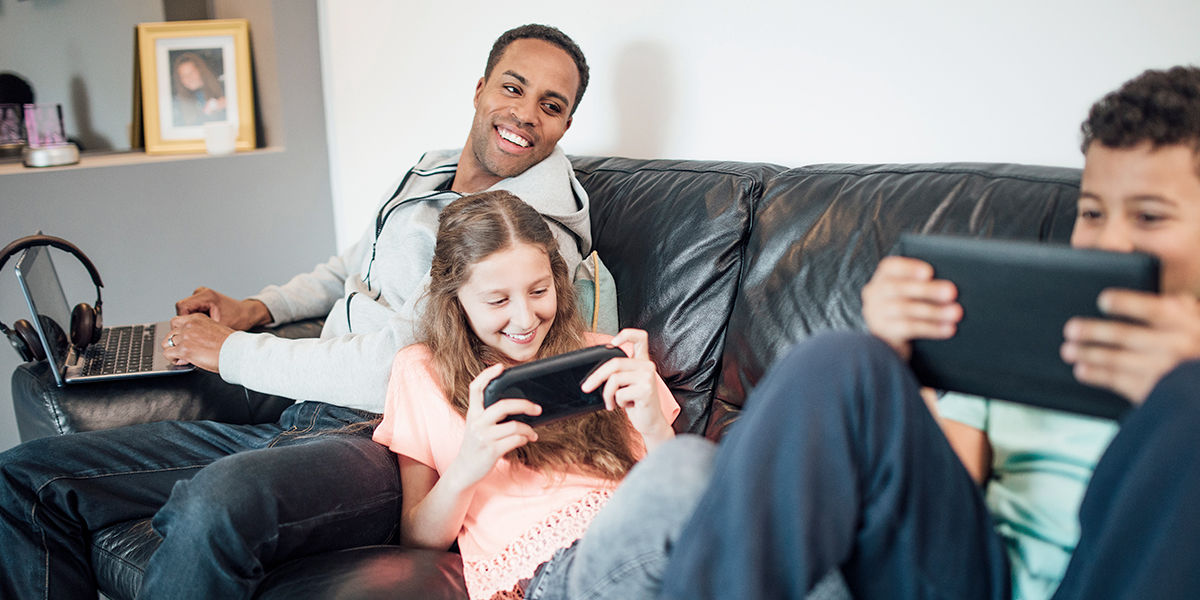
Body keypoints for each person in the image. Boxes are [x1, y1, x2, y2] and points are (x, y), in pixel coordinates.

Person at [0, 24, 607, 599]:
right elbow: (357, 262)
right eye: (513, 86)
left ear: (565, 125)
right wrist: (259, 308)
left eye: (551, 106)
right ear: (479, 89)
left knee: (215, 502)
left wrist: (231, 353)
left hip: (382, 435)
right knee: (24, 477)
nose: (525, 113)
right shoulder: (434, 170)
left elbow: (402, 361)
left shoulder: (524, 235)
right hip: (310, 404)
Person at [658, 65, 1200, 599]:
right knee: (842, 358)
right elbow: (937, 503)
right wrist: (898, 359)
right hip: (974, 580)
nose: (1109, 244)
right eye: (1092, 212)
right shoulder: (1023, 335)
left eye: (1149, 217)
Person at [373, 190, 712, 600]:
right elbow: (418, 540)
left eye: (538, 291)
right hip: (553, 572)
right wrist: (468, 465)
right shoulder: (421, 371)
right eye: (498, 300)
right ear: (456, 299)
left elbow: (671, 500)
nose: (525, 318)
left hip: (641, 536)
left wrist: (655, 426)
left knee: (699, 466)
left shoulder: (608, 357)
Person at [170, 51, 227, 126]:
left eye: (191, 73)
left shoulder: (224, 89)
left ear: (201, 71)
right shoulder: (178, 104)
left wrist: (226, 103)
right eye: (183, 76)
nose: (188, 78)